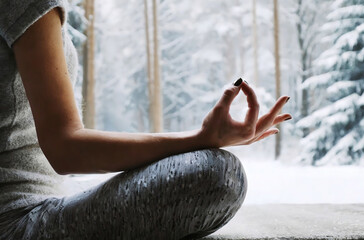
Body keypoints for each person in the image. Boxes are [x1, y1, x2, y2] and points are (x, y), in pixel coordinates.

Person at [0, 0, 291, 239]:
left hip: (40, 198)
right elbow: (66, 150)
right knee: (222, 175)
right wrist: (200, 138)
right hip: (16, 220)